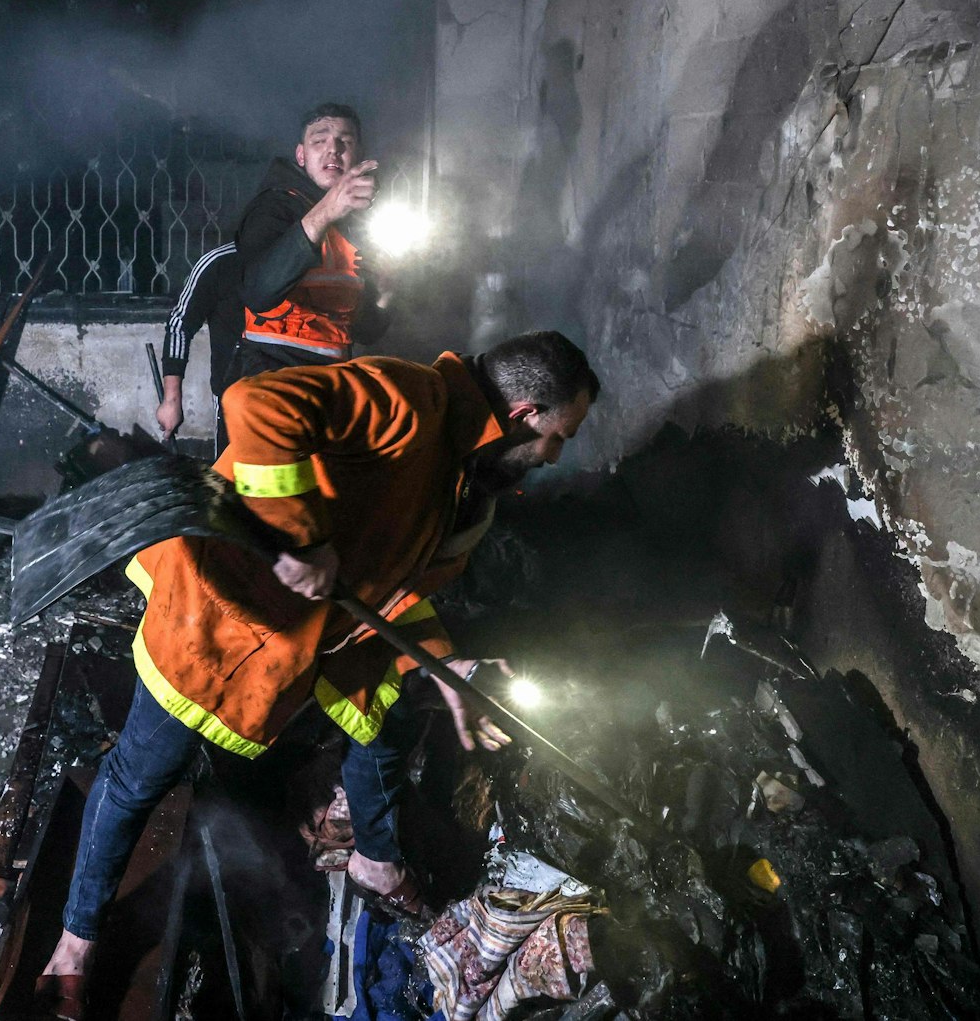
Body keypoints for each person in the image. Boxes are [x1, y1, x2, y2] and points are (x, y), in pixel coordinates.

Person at [35, 330, 601, 1021]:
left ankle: (375, 860)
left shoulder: (463, 477)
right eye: (558, 435)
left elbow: (396, 592)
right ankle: (73, 946)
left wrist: (450, 664)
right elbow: (258, 404)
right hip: (219, 620)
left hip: (308, 641)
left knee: (394, 709)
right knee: (138, 777)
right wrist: (301, 532)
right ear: (524, 414)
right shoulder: (409, 399)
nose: (554, 455)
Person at [233, 103, 392, 383]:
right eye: (320, 140)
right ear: (301, 155)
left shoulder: (358, 224)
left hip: (333, 381)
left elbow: (365, 330)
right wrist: (326, 211)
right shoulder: (273, 207)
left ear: (359, 155)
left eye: (345, 141)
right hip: (272, 380)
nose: (333, 149)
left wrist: (387, 292)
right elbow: (258, 293)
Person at [155, 241, 242, 457]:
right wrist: (171, 400)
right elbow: (180, 326)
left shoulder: (313, 258)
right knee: (233, 482)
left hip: (298, 397)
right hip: (233, 402)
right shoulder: (219, 263)